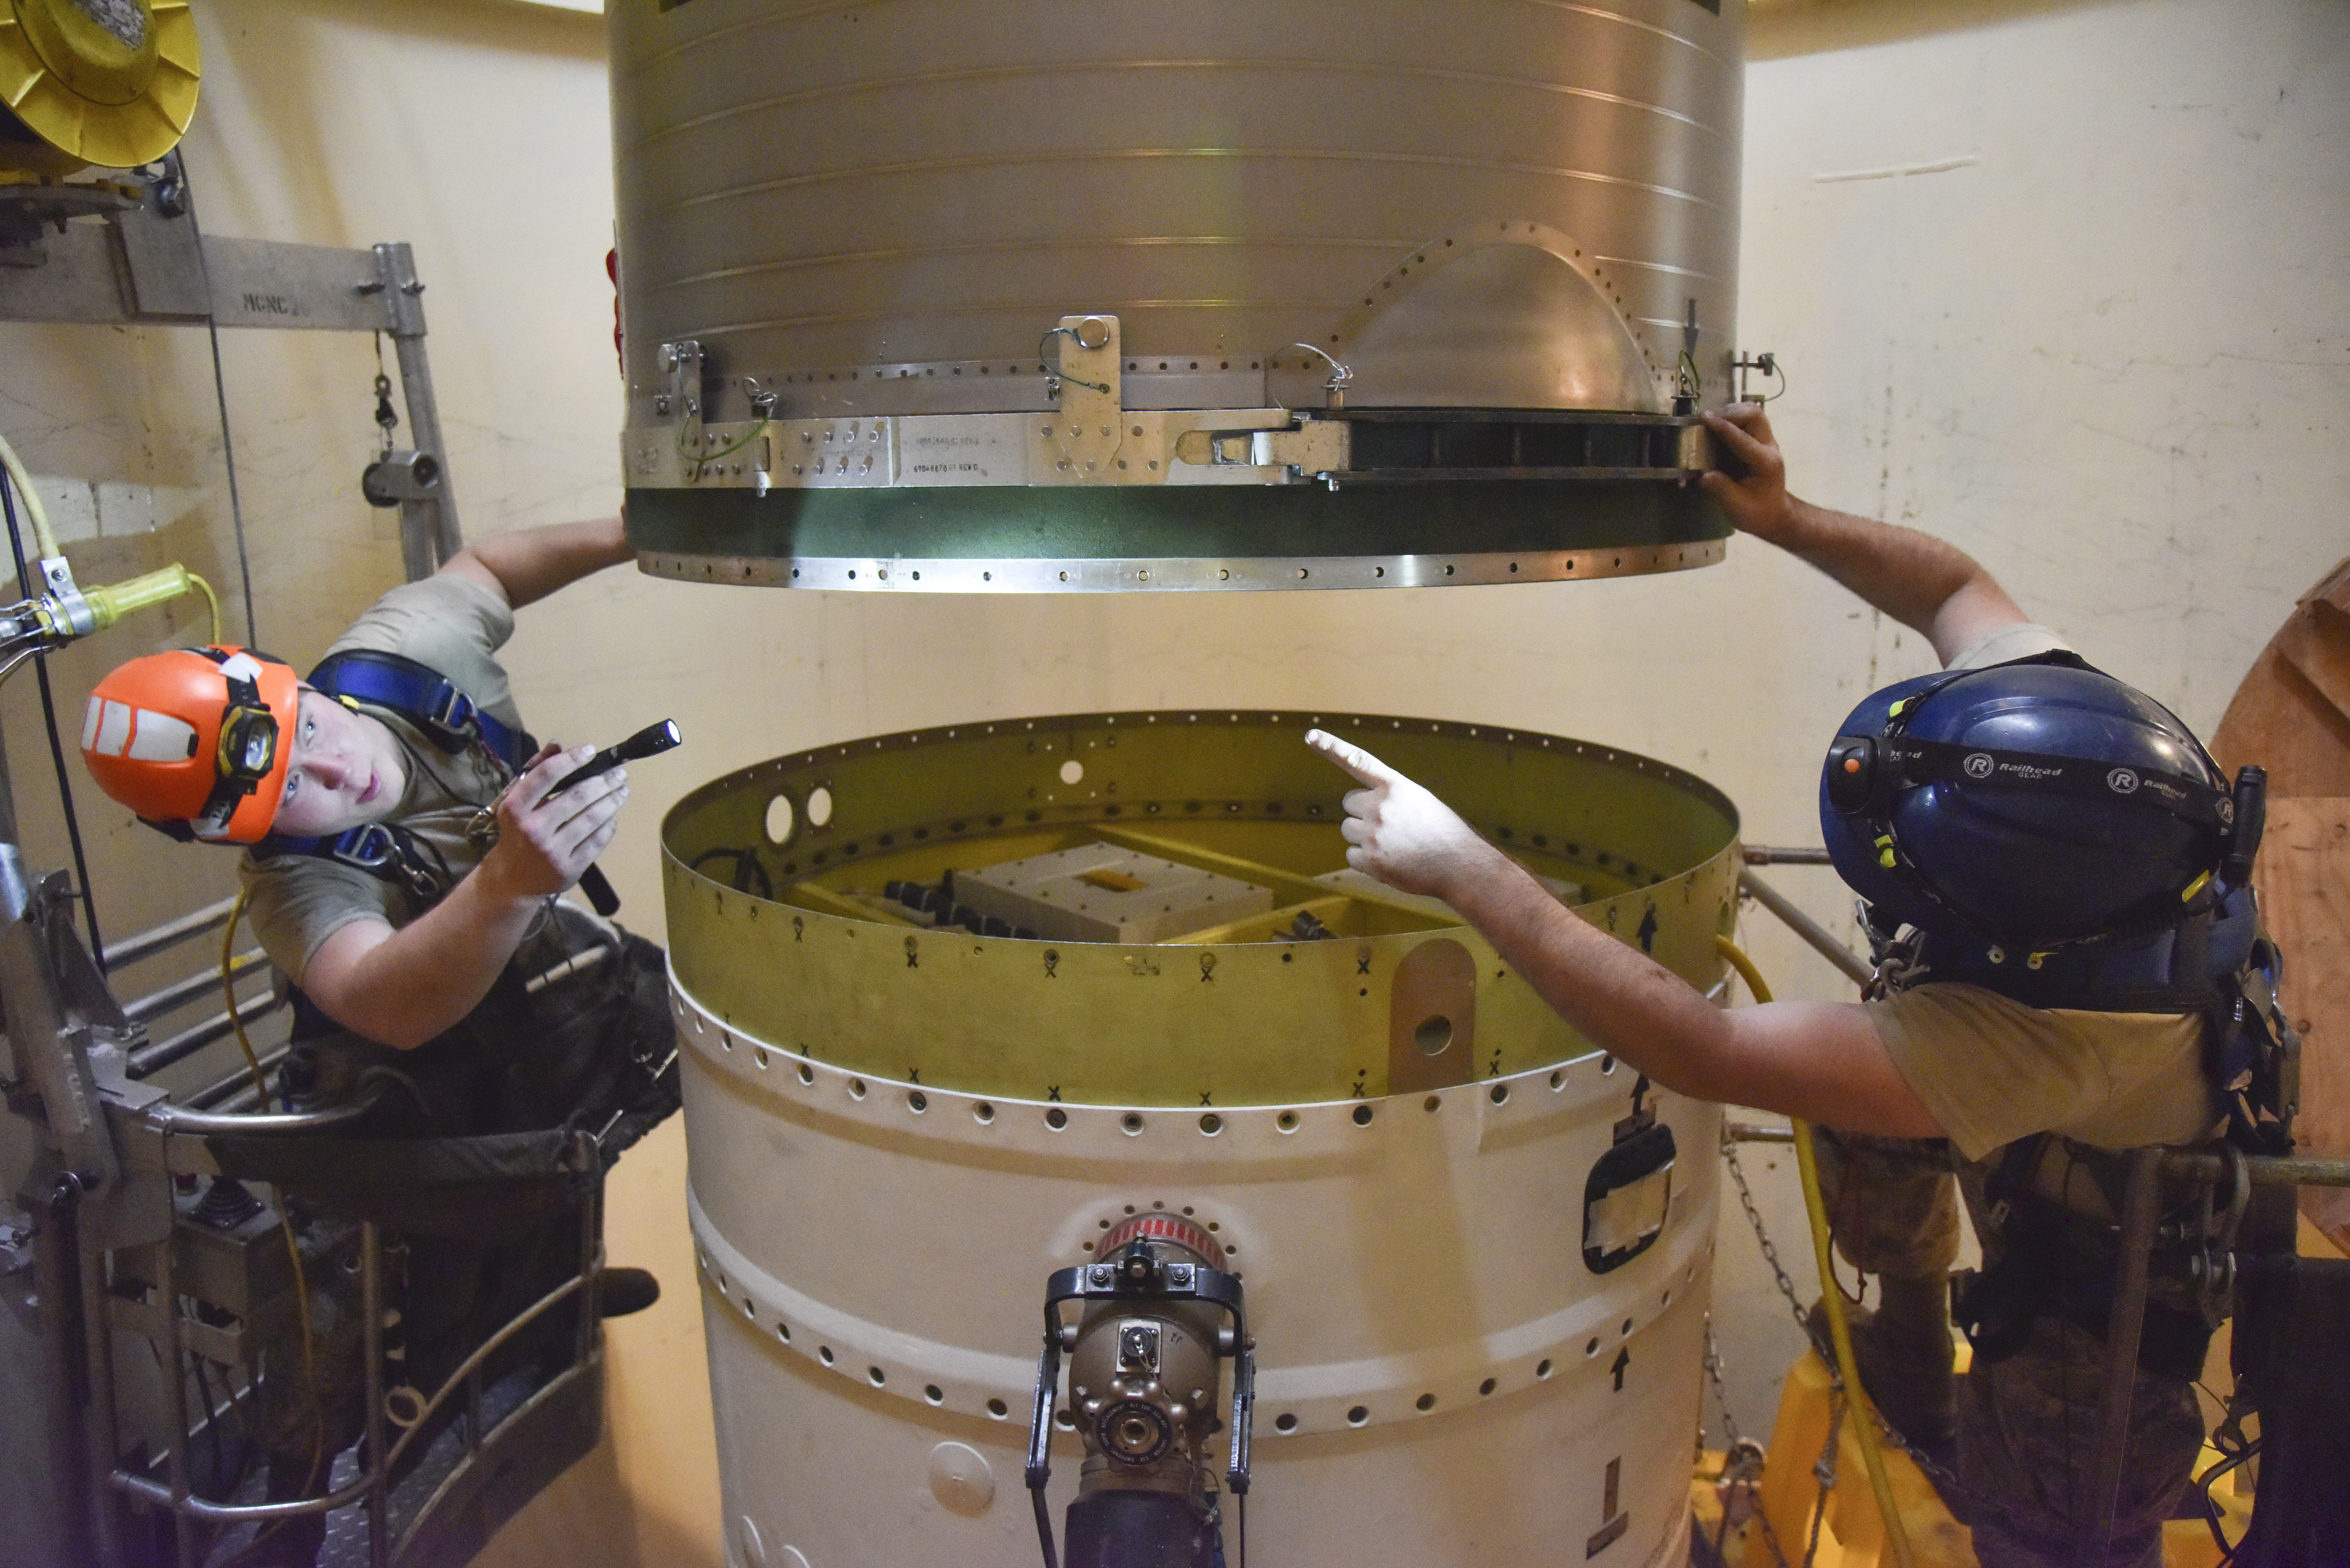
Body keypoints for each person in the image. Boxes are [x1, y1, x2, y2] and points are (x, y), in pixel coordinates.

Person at [1306, 404, 2283, 1568]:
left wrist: (1465, 869)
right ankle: (1910, 1344)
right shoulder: (2067, 744)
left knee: (2061, 1498)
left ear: (2008, 925)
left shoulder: (2051, 1035)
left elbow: (1703, 1051)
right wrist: (1781, 518)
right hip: (2051, 1113)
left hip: (2110, 1238)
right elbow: (1952, 585)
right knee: (1869, 1091)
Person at [80, 516, 682, 1562]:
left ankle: (551, 1328)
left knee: (572, 1185)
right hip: (409, 1095)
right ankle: (305, 1517)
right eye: (287, 796)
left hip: (547, 1012)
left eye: (305, 731)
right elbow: (385, 999)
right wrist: (504, 884)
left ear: (292, 683)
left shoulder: (401, 662)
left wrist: (642, 528)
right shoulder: (291, 881)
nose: (331, 773)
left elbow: (486, 565)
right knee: (346, 1347)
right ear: (243, 833)